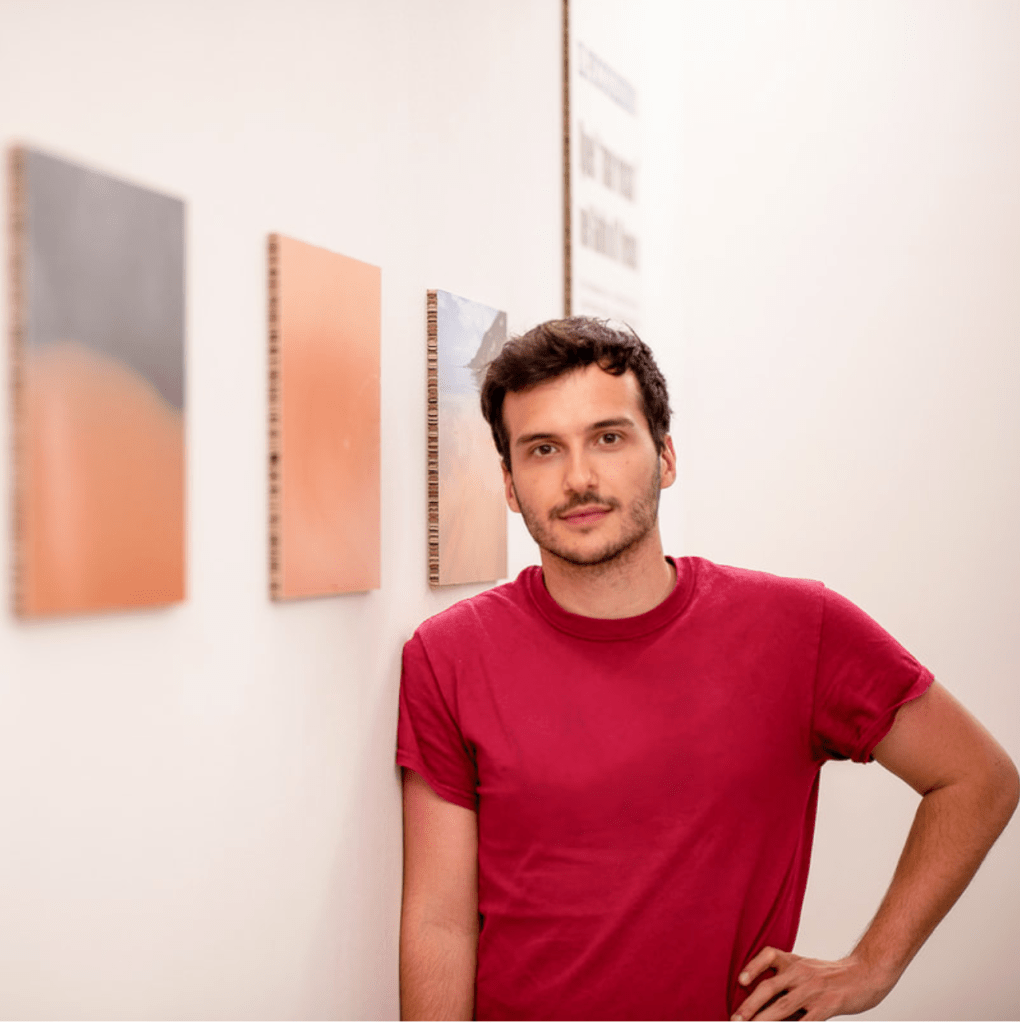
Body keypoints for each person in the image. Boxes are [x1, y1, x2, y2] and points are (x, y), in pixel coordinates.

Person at [396, 317, 1018, 1021]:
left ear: (664, 456)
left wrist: (872, 965)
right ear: (509, 484)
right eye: (543, 449)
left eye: (609, 437)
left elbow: (979, 777)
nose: (579, 478)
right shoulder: (447, 655)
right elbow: (439, 923)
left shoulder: (800, 628)